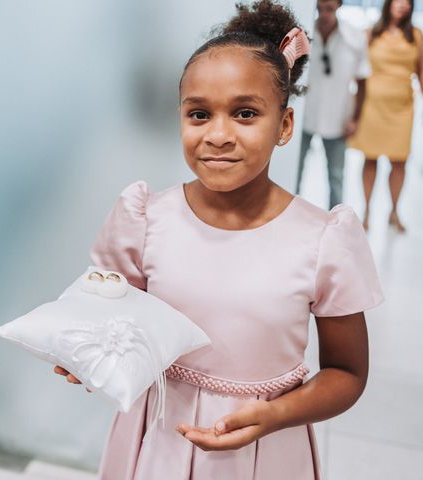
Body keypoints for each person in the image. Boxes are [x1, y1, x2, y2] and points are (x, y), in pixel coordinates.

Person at [55, 1, 383, 478]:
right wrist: (87, 353)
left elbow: (348, 373)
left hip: (266, 447)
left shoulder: (323, 240)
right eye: (199, 114)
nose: (219, 135)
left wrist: (274, 415)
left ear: (285, 126)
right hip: (159, 437)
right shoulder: (145, 217)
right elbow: (112, 319)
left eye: (245, 113)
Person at [348, 0, 423, 232]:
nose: (403, 6)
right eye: (399, 1)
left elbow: (421, 73)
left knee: (399, 161)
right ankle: (366, 212)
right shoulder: (372, 33)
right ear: (389, 4)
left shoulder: (416, 36)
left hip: (402, 107)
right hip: (372, 105)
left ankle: (394, 211)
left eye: (408, 2)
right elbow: (357, 68)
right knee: (370, 159)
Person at [296, 0, 370, 209]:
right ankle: (288, 220)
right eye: (320, 8)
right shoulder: (302, 35)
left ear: (339, 6)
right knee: (294, 173)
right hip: (304, 117)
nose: (324, 14)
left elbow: (363, 81)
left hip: (338, 119)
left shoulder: (354, 37)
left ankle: (335, 224)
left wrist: (355, 119)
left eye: (329, 9)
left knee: (336, 178)